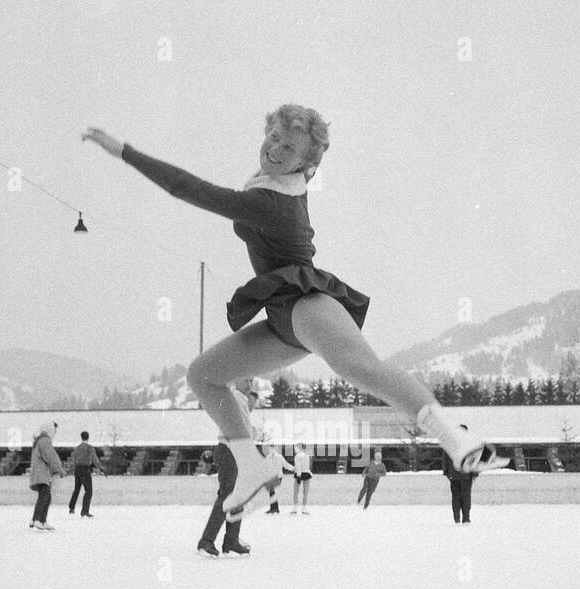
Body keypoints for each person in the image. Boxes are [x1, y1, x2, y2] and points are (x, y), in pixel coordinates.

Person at [82, 105, 504, 522]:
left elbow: (185, 187)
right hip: (282, 319)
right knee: (204, 376)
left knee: (361, 368)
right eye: (274, 138)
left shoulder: (270, 201)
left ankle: (456, 440)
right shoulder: (280, 183)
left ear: (304, 163)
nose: (276, 150)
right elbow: (284, 163)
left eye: (291, 149)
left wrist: (123, 151)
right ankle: (251, 467)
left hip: (307, 303)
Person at [198, 386, 259, 557]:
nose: (249, 384)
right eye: (247, 380)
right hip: (229, 449)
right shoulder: (234, 397)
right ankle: (207, 541)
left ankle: (231, 540)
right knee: (227, 495)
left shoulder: (242, 402)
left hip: (237, 450)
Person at [28, 421, 65, 531]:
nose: (55, 432)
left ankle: (37, 520)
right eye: (54, 430)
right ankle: (40, 520)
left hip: (39, 473)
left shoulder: (39, 440)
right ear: (49, 430)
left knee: (43, 497)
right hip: (42, 474)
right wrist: (60, 470)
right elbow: (51, 457)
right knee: (45, 497)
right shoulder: (45, 441)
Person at [442, 423, 478, 523]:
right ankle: (466, 518)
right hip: (466, 476)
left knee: (455, 497)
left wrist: (446, 473)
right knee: (466, 497)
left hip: (453, 476)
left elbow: (445, 459)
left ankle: (456, 518)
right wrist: (474, 473)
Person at [68, 431, 103, 517]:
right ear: (88, 437)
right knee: (88, 491)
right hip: (85, 470)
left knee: (76, 489)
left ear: (81, 437)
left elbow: (73, 461)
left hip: (77, 470)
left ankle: (71, 507)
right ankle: (84, 511)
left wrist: (71, 470)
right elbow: (94, 459)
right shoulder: (89, 448)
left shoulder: (77, 448)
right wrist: (101, 468)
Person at [290, 443, 313, 514]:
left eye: (295, 448)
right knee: (305, 492)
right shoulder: (307, 455)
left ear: (299, 448)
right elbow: (308, 466)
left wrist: (298, 476)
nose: (294, 449)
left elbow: (298, 466)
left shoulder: (297, 456)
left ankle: (295, 509)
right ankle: (304, 509)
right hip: (306, 473)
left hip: (299, 474)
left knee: (296, 492)